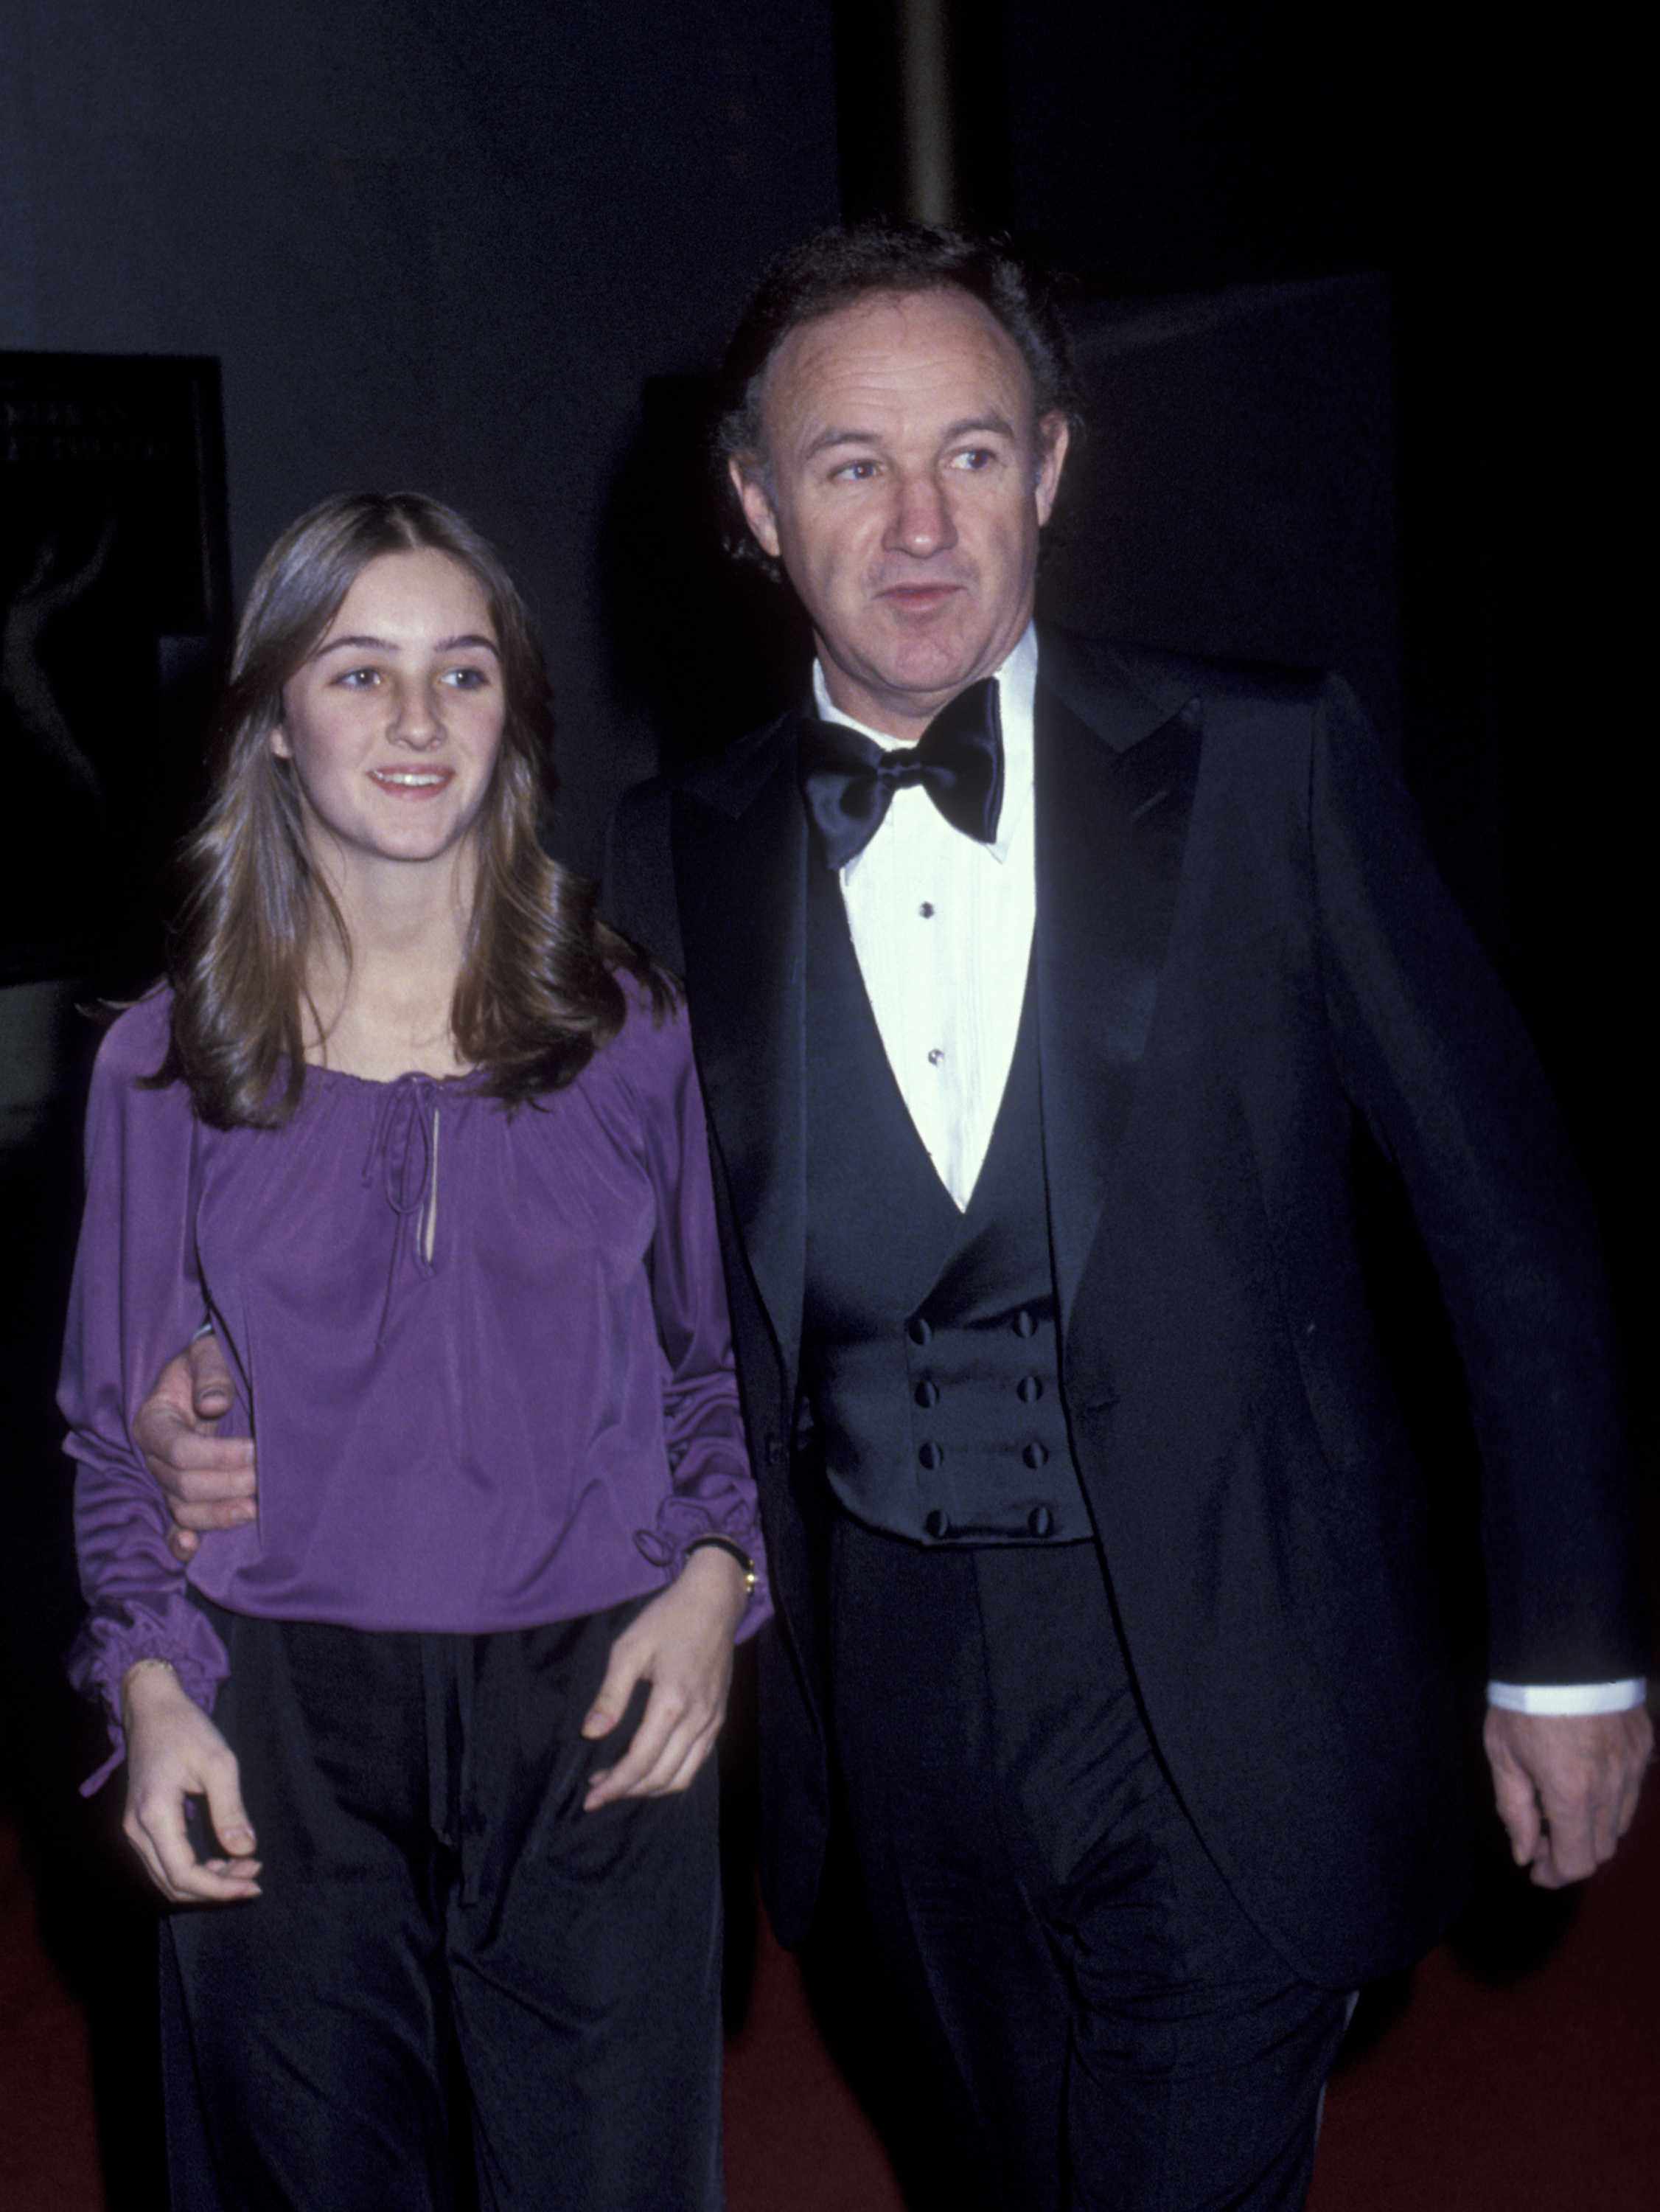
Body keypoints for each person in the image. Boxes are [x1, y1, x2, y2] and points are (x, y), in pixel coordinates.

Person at [142, 230, 1650, 2211]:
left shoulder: (1269, 764)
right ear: (759, 511)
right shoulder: (670, 860)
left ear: (1049, 468)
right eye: (850, 466)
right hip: (888, 1703)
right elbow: (543, 1269)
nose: (919, 523)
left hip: (1240, 1671)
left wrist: (1566, 1654)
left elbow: (1507, 1228)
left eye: (967, 453)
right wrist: (226, 1379)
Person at [60, 491, 764, 2212]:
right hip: (281, 1711)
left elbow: (712, 1368)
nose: (413, 719)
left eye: (460, 672)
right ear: (275, 729)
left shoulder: (631, 1032)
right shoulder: (165, 1062)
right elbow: (103, 1427)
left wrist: (712, 1584)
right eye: (357, 672)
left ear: (514, 718)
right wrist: (151, 1691)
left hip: (597, 1699)